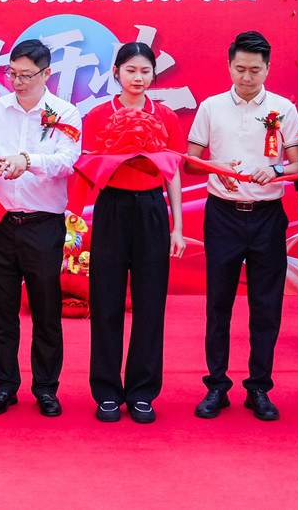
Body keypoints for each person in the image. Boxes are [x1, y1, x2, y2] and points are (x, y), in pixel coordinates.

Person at [186, 31, 298, 422]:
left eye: (255, 70)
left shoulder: (284, 108)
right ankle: (216, 385)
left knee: (266, 306)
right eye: (240, 69)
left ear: (267, 68)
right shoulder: (211, 107)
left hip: (268, 216)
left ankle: (259, 388)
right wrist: (217, 168)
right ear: (229, 66)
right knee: (218, 303)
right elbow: (190, 162)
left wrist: (276, 170)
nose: (247, 77)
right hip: (223, 215)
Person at [0, 39, 82, 419]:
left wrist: (28, 160)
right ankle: (4, 386)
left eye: (26, 75)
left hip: (42, 224)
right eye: (12, 74)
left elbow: (68, 160)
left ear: (46, 73)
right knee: (0, 313)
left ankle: (46, 388)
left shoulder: (65, 113)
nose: (17, 82)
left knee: (46, 311)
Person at [80, 41, 186, 425]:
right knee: (105, 301)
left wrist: (178, 226)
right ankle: (107, 391)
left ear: (154, 74)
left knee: (150, 303)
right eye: (130, 70)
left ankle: (142, 392)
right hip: (111, 208)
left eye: (145, 71)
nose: (138, 78)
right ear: (116, 73)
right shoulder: (97, 115)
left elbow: (173, 174)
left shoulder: (166, 116)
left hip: (152, 209)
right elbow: (89, 169)